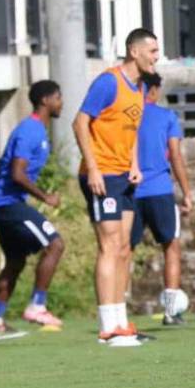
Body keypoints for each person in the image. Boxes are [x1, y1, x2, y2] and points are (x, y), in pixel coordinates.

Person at [73, 28, 159, 347]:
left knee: (124, 247)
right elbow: (80, 122)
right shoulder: (108, 81)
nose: (156, 57)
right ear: (134, 51)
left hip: (123, 175)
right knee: (109, 245)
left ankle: (122, 322)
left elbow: (130, 132)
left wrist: (134, 164)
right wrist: (93, 168)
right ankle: (107, 326)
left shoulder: (138, 88)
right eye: (152, 50)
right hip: (102, 175)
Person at [0, 80, 66, 333]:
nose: (61, 102)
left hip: (3, 204)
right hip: (6, 204)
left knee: (16, 260)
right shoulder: (31, 130)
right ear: (45, 101)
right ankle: (37, 306)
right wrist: (45, 198)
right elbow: (17, 174)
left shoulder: (37, 130)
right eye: (58, 97)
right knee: (55, 244)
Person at [130, 72, 193, 325]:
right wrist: (187, 191)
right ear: (154, 90)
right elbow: (175, 156)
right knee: (171, 247)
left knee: (123, 251)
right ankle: (170, 312)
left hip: (130, 191)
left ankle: (116, 311)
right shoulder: (167, 116)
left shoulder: (128, 116)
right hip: (159, 190)